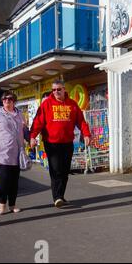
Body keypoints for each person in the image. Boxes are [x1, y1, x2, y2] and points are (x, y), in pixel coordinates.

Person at [30, 80, 91, 208]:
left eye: (58, 89)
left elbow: (81, 122)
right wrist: (32, 137)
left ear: (64, 90)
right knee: (56, 169)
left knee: (64, 171)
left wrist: (86, 134)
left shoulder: (72, 104)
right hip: (51, 143)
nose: (56, 92)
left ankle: (61, 196)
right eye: (54, 90)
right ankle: (57, 197)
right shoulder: (46, 104)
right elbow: (38, 122)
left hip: (67, 142)